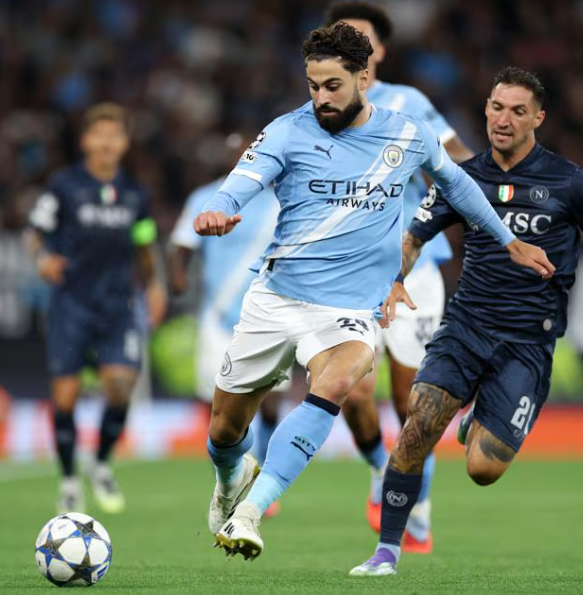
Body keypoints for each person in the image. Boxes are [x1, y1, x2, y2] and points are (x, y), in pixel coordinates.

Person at [196, 24, 554, 561]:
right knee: (225, 430)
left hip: (350, 308)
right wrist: (220, 210)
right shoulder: (286, 131)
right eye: (313, 85)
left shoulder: (407, 134)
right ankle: (230, 479)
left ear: (363, 78)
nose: (321, 97)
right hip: (277, 298)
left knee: (341, 382)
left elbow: (457, 184)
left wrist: (509, 241)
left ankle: (250, 511)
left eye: (333, 86)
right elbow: (239, 184)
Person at [350, 67, 583, 577]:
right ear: (486, 109)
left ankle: (479, 418)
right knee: (418, 424)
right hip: (465, 328)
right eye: (496, 108)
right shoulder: (463, 179)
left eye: (517, 111)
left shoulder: (567, 181)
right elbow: (415, 234)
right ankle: (386, 552)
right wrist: (396, 278)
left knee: (483, 469)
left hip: (527, 343)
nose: (503, 120)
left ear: (538, 118)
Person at [324, 1, 472, 553]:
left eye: (362, 38)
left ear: (380, 51)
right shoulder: (319, 108)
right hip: (349, 272)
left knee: (413, 402)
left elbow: (457, 158)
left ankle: (417, 497)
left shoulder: (409, 103)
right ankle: (376, 468)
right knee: (352, 391)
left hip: (416, 271)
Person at [26, 103, 166, 514]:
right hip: (71, 304)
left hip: (118, 306)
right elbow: (34, 233)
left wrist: (154, 285)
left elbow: (144, 243)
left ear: (125, 143)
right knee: (65, 397)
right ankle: (69, 480)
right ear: (86, 140)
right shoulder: (64, 186)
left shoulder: (136, 193)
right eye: (100, 134)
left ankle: (101, 463)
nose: (107, 142)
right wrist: (42, 259)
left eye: (115, 135)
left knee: (120, 387)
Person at [168, 132, 287, 513]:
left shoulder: (282, 199)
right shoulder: (206, 197)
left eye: (249, 151)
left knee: (270, 402)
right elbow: (181, 244)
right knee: (216, 403)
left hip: (268, 315)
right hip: (218, 317)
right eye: (235, 151)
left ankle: (261, 477)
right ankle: (230, 476)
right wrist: (177, 276)